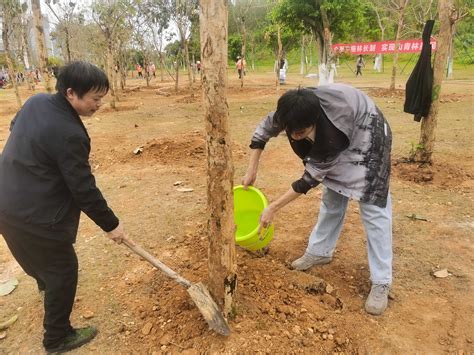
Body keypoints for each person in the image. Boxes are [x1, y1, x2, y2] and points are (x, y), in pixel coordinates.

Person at [0, 61, 131, 352]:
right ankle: (57, 337)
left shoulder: (36, 102)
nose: (100, 105)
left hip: (4, 202)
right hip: (34, 216)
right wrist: (111, 224)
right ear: (71, 93)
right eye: (95, 99)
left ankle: (45, 283)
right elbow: (83, 189)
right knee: (64, 268)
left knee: (31, 255)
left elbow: (15, 127)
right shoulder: (72, 134)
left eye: (102, 97)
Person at [242, 84, 392, 316]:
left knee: (373, 206)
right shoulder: (292, 110)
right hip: (338, 126)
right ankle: (320, 251)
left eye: (300, 133)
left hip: (368, 132)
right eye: (289, 131)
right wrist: (252, 169)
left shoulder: (331, 136)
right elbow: (263, 131)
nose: (293, 137)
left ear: (314, 122)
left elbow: (310, 179)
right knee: (332, 197)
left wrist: (273, 207)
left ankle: (381, 280)